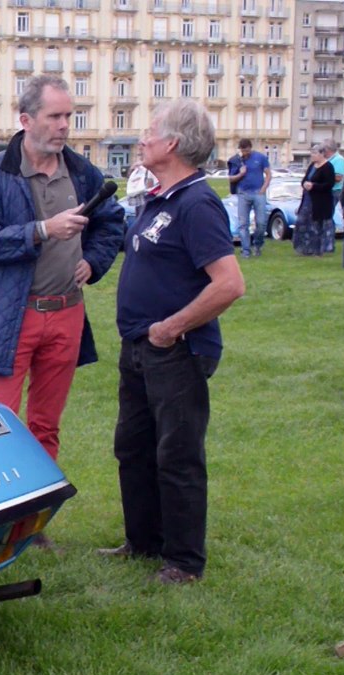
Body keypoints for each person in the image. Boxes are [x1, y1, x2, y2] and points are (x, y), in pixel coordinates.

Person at [103, 99, 245, 584]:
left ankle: (184, 562)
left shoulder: (197, 203)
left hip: (175, 351)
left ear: (174, 144)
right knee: (133, 447)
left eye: (150, 131)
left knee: (177, 454)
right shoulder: (160, 198)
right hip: (139, 348)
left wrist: (173, 327)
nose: (141, 138)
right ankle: (143, 542)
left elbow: (228, 283)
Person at [0, 74, 123, 466]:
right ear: (26, 120)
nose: (64, 125)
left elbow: (112, 222)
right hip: (8, 315)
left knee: (46, 427)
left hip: (66, 313)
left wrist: (93, 261)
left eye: (69, 115)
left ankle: (32, 523)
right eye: (54, 116)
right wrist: (43, 230)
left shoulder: (82, 173)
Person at [229, 139, 271, 258]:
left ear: (250, 148)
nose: (245, 152)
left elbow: (268, 174)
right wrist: (240, 174)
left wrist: (264, 188)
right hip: (243, 193)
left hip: (258, 193)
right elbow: (231, 178)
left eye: (246, 150)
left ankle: (257, 245)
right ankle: (245, 250)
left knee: (261, 223)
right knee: (243, 224)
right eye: (242, 150)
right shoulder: (237, 161)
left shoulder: (260, 158)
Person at [293, 144, 336, 257]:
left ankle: (318, 250)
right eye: (312, 153)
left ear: (322, 154)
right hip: (307, 198)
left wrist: (314, 186)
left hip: (320, 201)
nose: (313, 155)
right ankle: (304, 248)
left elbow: (329, 184)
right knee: (302, 222)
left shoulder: (328, 167)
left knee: (317, 225)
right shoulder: (312, 165)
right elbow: (305, 179)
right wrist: (305, 184)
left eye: (315, 153)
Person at [322, 139, 344, 255]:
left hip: (333, 191)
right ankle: (325, 242)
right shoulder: (328, 160)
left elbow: (339, 177)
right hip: (326, 191)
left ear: (328, 150)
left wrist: (323, 176)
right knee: (325, 217)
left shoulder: (339, 160)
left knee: (328, 217)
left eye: (323, 150)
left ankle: (329, 244)